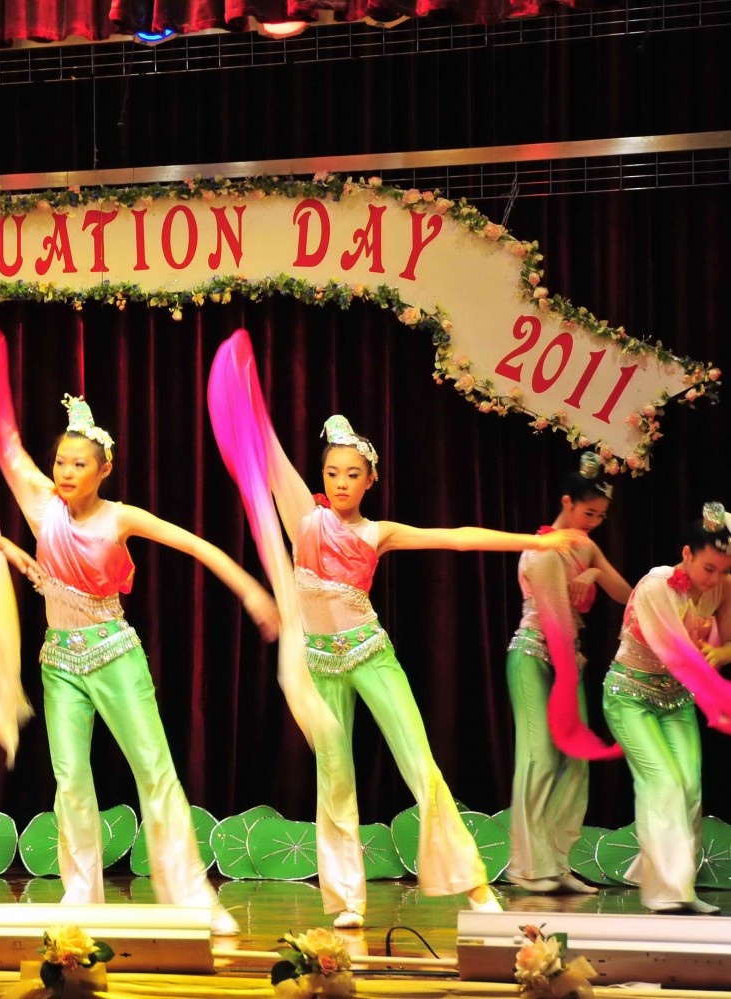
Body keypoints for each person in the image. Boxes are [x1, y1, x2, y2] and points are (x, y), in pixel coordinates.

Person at [205, 329, 579, 928]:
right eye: (332, 472)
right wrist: (241, 382)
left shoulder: (377, 533)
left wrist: (536, 540)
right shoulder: (305, 519)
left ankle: (473, 884)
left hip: (370, 655)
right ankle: (344, 900)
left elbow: (458, 539)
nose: (341, 482)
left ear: (370, 480)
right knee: (334, 777)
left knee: (419, 762)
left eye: (353, 473)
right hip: (321, 664)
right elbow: (268, 452)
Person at [0, 319, 279, 935]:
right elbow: (4, 441)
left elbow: (196, 545)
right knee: (70, 779)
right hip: (59, 663)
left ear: (104, 469)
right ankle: (80, 893)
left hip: (116, 655)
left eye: (79, 464)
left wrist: (251, 589)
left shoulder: (120, 518)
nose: (65, 472)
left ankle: (191, 896)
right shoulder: (41, 503)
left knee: (154, 767)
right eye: (60, 462)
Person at [505, 452, 631, 894]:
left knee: (576, 762)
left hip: (567, 661)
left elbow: (626, 594)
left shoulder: (585, 546)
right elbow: (555, 619)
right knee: (539, 757)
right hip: (533, 656)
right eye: (587, 512)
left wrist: (594, 570)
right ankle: (527, 866)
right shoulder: (543, 550)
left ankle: (557, 863)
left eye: (600, 516)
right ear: (567, 502)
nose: (594, 522)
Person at [603, 504, 731, 914]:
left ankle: (678, 886)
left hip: (676, 699)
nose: (715, 578)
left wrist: (722, 652)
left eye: (724, 570)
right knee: (664, 783)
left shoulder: (721, 588)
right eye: (709, 568)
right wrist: (720, 696)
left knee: (689, 786)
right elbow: (677, 655)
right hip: (629, 695)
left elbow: (723, 643)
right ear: (687, 554)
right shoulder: (657, 586)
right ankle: (666, 894)